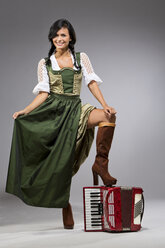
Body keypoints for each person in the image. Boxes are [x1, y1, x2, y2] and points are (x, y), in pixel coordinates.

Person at [5, 19, 117, 229]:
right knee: (60, 163)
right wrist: (25, 110)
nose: (59, 39)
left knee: (108, 117)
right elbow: (44, 93)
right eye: (55, 36)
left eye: (63, 35)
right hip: (55, 113)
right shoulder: (45, 63)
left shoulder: (80, 58)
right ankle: (64, 203)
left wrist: (105, 104)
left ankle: (100, 165)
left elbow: (91, 83)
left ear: (71, 37)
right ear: (51, 38)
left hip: (76, 108)